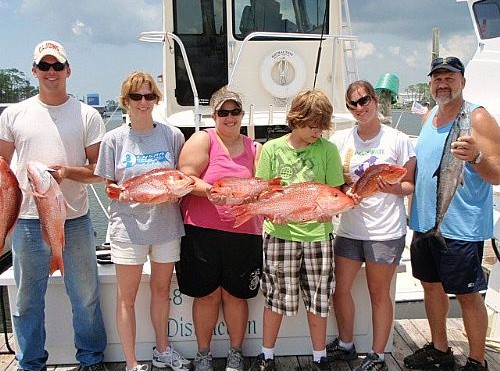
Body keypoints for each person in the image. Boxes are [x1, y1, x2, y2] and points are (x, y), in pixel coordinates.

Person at [0, 40, 107, 371]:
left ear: (68, 70)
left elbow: (100, 172)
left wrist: (66, 173)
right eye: (44, 66)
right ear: (34, 71)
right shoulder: (13, 114)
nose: (51, 72)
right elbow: (2, 168)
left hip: (74, 219)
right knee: (26, 300)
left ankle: (91, 359)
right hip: (28, 223)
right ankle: (30, 362)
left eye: (57, 66)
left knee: (85, 297)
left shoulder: (87, 115)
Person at [404, 56, 500, 371]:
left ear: (462, 81)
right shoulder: (429, 116)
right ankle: (441, 349)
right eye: (437, 78)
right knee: (430, 286)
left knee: (468, 294)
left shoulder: (479, 117)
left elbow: (497, 173)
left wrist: (477, 156)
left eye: (450, 78)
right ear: (431, 83)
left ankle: (477, 361)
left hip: (461, 227)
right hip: (425, 224)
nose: (443, 84)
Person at [94, 71, 191, 371]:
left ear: (156, 99)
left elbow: (181, 176)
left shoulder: (172, 135)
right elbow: (108, 186)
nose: (143, 101)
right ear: (126, 101)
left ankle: (163, 350)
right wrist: (122, 194)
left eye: (149, 95)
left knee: (162, 291)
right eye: (136, 96)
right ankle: (132, 362)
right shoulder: (113, 140)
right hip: (127, 228)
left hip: (166, 227)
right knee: (127, 297)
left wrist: (174, 192)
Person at [249, 89, 344, 371]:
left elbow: (334, 194)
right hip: (280, 236)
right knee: (275, 296)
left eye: (321, 126)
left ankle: (319, 357)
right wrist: (271, 211)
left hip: (318, 236)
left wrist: (323, 210)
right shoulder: (272, 149)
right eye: (311, 125)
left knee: (319, 298)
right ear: (296, 119)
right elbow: (262, 194)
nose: (317, 132)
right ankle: (267, 355)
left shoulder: (329, 150)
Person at [327, 80, 416, 371]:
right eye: (352, 103)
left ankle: (378, 355)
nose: (359, 108)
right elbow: (335, 182)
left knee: (379, 294)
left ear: (375, 100)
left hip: (385, 231)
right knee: (340, 289)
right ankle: (346, 344)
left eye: (364, 100)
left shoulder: (398, 139)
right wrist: (344, 192)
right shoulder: (341, 141)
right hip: (349, 229)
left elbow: (408, 183)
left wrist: (389, 189)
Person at [175, 86, 264, 371]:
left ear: (242, 114)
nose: (229, 117)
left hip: (244, 232)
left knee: (236, 295)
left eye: (234, 111)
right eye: (223, 112)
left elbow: (262, 186)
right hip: (201, 232)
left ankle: (236, 352)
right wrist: (212, 192)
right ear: (214, 115)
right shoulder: (204, 139)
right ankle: (203, 354)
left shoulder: (255, 148)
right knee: (207, 295)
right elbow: (186, 176)